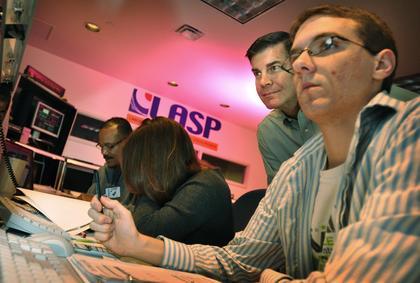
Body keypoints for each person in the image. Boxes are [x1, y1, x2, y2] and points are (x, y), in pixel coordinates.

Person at [89, 4, 419, 282]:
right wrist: (135, 245)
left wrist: (275, 278)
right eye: (297, 54)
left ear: (381, 64)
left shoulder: (410, 129)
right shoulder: (295, 171)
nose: (301, 63)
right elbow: (238, 261)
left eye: (328, 44)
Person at [120, 117, 234, 246]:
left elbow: (144, 233)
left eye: (139, 162)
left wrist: (150, 183)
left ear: (155, 161)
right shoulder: (177, 181)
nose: (137, 170)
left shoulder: (206, 184)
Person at [248, 31, 318, 184]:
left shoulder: (334, 106)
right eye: (257, 73)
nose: (263, 82)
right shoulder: (268, 131)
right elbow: (280, 196)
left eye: (274, 68)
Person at [87, 117, 132, 202]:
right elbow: (88, 200)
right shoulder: (102, 173)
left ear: (128, 141)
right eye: (101, 146)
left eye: (110, 146)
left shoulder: (142, 177)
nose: (104, 153)